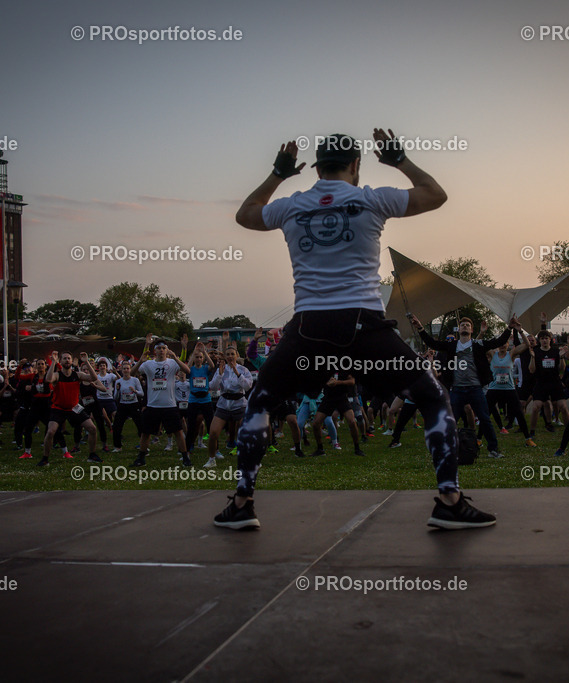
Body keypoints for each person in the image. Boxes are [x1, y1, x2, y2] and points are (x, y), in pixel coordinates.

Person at [214, 130, 494, 530]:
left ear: (316, 167)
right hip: (363, 325)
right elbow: (435, 194)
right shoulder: (371, 198)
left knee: (259, 403)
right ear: (356, 165)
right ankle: (449, 499)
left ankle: (242, 504)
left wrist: (277, 175)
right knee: (432, 397)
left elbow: (245, 214)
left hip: (308, 327)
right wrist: (399, 160)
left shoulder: (291, 206)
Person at [411, 314, 524, 459]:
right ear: (459, 329)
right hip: (457, 389)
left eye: (468, 325)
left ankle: (493, 449)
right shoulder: (452, 345)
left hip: (475, 388)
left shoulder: (478, 345)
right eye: (462, 324)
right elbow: (433, 343)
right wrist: (420, 327)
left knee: (485, 419)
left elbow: (499, 341)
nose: (465, 326)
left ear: (471, 330)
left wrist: (509, 327)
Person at [131, 336, 192, 467]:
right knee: (146, 433)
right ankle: (141, 457)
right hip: (153, 405)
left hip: (169, 405)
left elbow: (187, 371)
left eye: (164, 348)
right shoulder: (148, 364)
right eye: (159, 348)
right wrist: (139, 362)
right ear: (155, 351)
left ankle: (185, 457)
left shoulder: (172, 363)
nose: (161, 350)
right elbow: (132, 374)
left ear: (167, 350)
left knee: (178, 432)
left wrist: (175, 357)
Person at [39, 352, 102, 467]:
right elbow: (48, 380)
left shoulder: (77, 375)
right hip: (58, 408)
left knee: (92, 428)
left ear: (72, 361)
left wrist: (86, 362)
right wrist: (53, 361)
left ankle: (92, 455)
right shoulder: (57, 375)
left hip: (74, 407)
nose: (67, 360)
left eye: (69, 358)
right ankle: (45, 459)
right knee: (50, 432)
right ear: (61, 361)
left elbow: (94, 378)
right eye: (64, 358)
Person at [111, 361, 144, 452]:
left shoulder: (135, 380)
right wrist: (117, 390)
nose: (126, 370)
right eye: (124, 369)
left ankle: (143, 445)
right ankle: (117, 446)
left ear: (130, 370)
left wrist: (135, 391)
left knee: (140, 425)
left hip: (134, 404)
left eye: (127, 368)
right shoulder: (118, 381)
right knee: (117, 426)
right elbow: (115, 397)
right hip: (123, 405)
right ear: (121, 370)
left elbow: (142, 393)